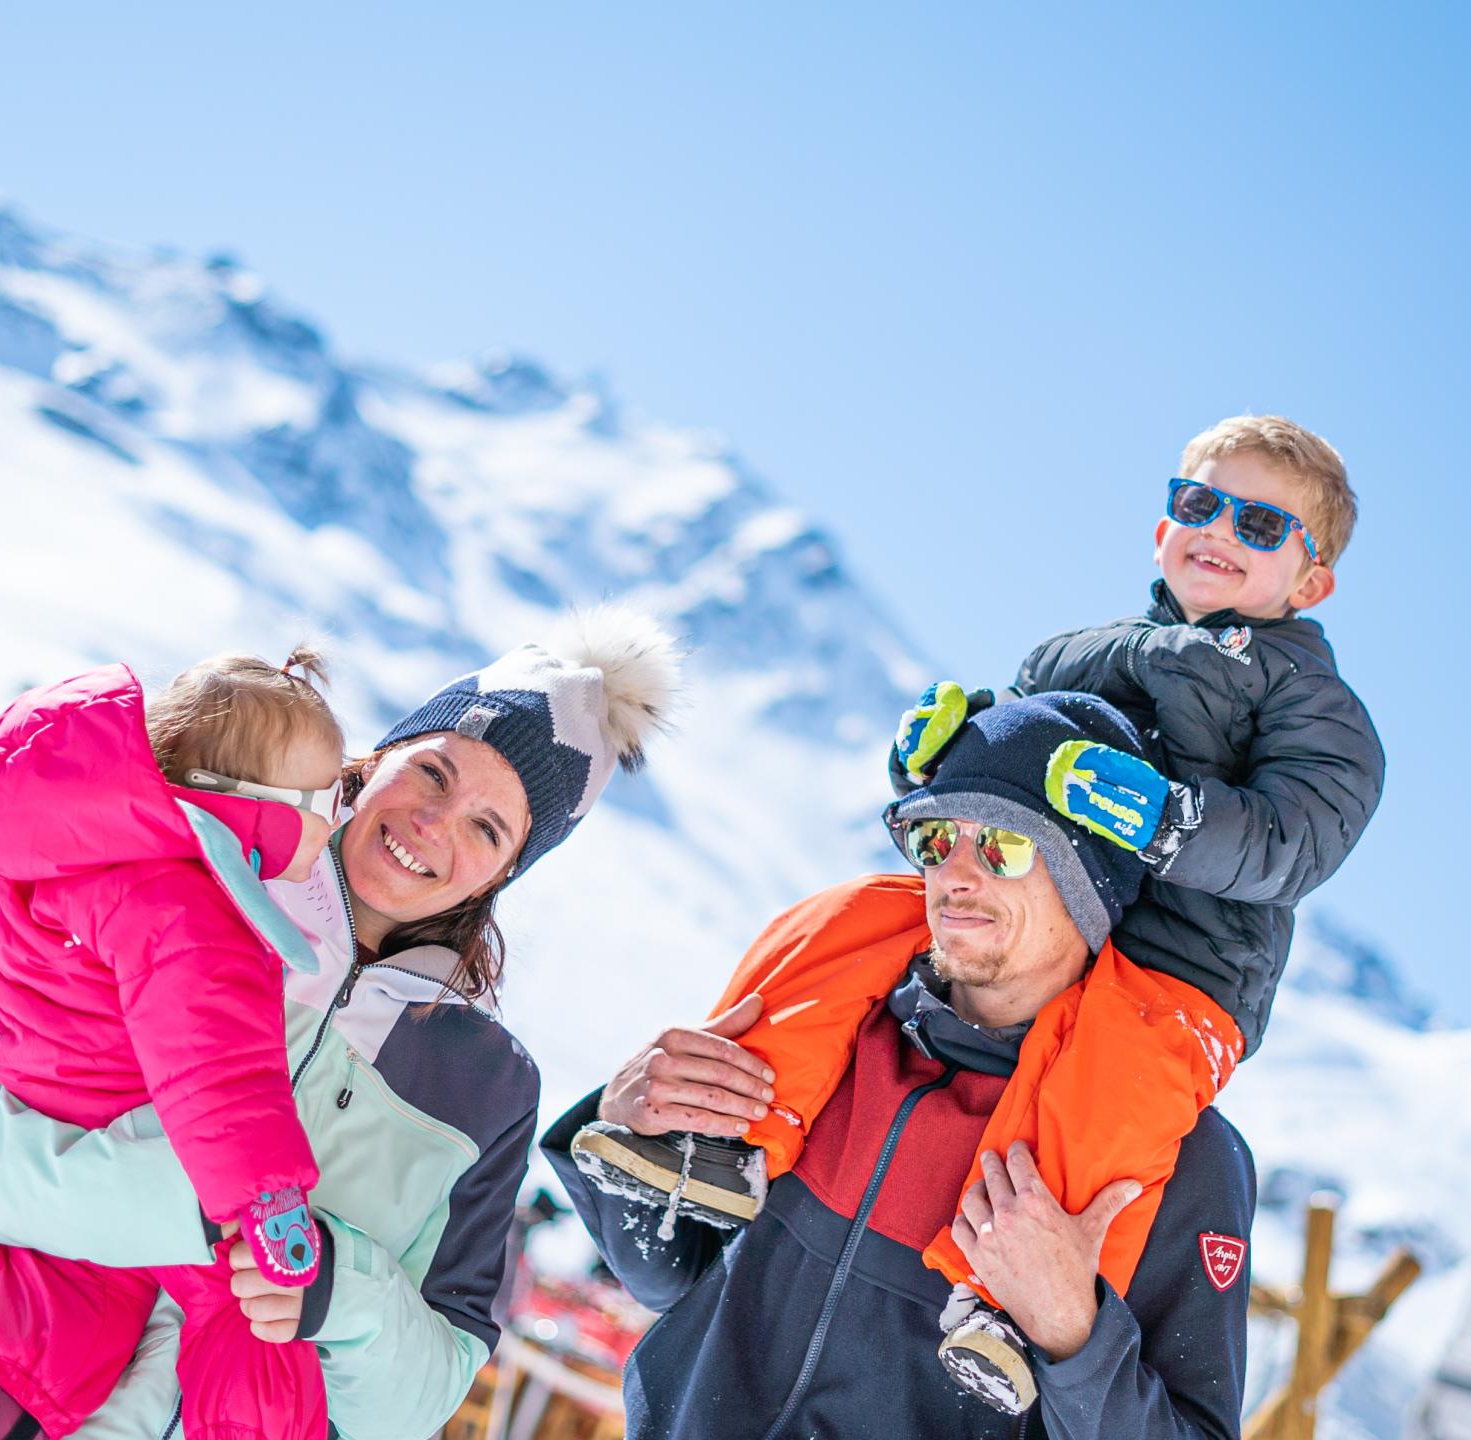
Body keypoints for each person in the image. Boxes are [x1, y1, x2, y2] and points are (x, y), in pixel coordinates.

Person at [574, 414, 1381, 1402]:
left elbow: (1299, 835)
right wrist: (941, 757)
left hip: (1183, 971)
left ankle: (1000, 1309)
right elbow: (1009, 740)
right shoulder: (1085, 653)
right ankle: (721, 1137)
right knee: (851, 915)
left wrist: (1168, 822)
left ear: (1310, 582)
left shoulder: (1303, 697)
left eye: (1260, 525)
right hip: (1076, 911)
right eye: (1198, 503)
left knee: (1102, 1097)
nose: (1218, 530)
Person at [0, 609, 683, 1440]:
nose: (433, 822)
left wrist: (336, 1290)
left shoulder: (484, 1083)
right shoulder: (179, 874)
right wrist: (186, 1208)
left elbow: (427, 1394)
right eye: (432, 771)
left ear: (502, 874)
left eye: (488, 827)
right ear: (373, 760)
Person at [558, 693, 1258, 1436]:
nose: (955, 874)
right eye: (935, 840)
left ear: (1092, 879)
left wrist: (1071, 1335)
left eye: (1004, 844)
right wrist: (625, 1119)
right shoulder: (825, 1039)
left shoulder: (1177, 1156)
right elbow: (672, 1279)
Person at [0, 651, 350, 1440]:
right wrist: (264, 1204)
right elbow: (218, 1075)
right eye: (325, 797)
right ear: (253, 804)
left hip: (32, 1097)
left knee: (56, 1281)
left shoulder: (61, 848)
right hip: (131, 1131)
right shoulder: (191, 906)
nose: (335, 821)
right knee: (244, 1304)